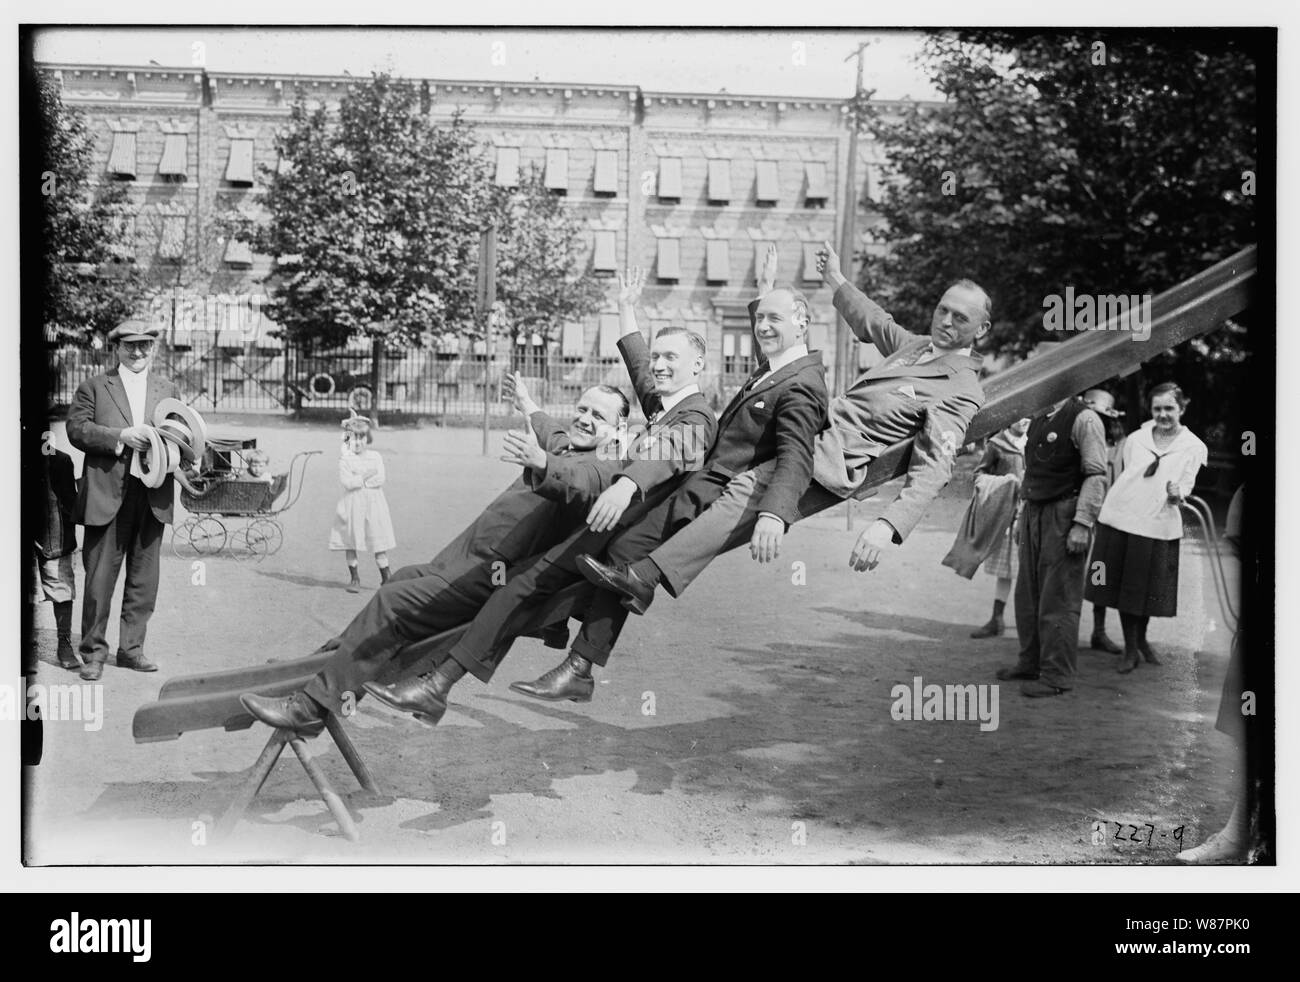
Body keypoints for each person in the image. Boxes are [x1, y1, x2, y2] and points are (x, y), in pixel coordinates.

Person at [432, 239, 987, 711]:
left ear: (979, 332)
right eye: (942, 309)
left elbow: (936, 461)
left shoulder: (959, 386)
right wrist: (837, 280)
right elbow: (873, 321)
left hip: (816, 464)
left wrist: (888, 526)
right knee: (618, 557)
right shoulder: (914, 346)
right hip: (771, 454)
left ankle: (582, 640)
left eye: (961, 318)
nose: (945, 321)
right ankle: (576, 654)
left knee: (631, 558)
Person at [362, 266, 724, 720]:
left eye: (671, 358)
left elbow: (671, 454)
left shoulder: (697, 418)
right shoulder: (663, 405)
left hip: (622, 539)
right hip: (600, 527)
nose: (659, 366)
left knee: (519, 589)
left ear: (698, 366)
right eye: (658, 358)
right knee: (517, 589)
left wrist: (629, 483)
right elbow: (636, 361)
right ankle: (437, 685)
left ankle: (439, 686)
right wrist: (626, 307)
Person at [239, 376, 638, 733]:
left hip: (486, 576)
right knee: (401, 580)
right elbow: (550, 428)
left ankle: (310, 708)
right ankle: (320, 668)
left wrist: (542, 462)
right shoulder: (568, 443)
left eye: (597, 416)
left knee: (394, 603)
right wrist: (527, 402)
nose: (584, 418)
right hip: (462, 561)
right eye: (581, 409)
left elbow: (579, 482)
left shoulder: (606, 468)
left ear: (617, 430)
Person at [66, 319, 180, 681]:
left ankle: (132, 651)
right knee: (100, 579)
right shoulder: (94, 387)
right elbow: (76, 429)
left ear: (153, 348)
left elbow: (182, 433)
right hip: (106, 494)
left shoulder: (167, 389)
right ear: (116, 347)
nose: (138, 352)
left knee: (144, 580)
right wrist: (121, 436)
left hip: (153, 493)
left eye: (145, 345)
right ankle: (94, 653)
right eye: (130, 345)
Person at [1084, 382, 1207, 673]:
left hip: (1159, 524)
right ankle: (1130, 649)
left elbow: (1187, 486)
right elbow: (1129, 476)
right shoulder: (1136, 439)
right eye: (1157, 408)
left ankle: (1141, 640)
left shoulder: (1194, 447)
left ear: (1182, 408)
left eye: (1169, 408)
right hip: (1122, 518)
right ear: (1150, 410)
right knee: (1127, 589)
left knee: (1147, 589)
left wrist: (1178, 494)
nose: (1163, 414)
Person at [995, 392, 1108, 697]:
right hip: (1034, 511)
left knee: (1058, 598)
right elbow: (1031, 472)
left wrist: (1083, 523)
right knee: (1028, 595)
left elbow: (1096, 475)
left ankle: (1057, 676)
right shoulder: (1038, 417)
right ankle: (1030, 662)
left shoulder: (1085, 418)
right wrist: (1021, 518)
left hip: (1065, 513)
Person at [943, 417, 1029, 638]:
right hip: (1006, 514)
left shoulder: (1034, 440)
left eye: (1029, 417)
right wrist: (1006, 482)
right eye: (1019, 417)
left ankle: (1030, 621)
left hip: (1029, 513)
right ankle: (996, 618)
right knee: (1007, 569)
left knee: (1029, 570)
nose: (1024, 422)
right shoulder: (997, 444)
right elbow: (979, 475)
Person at [33, 407, 80, 670]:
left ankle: (64, 644)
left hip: (54, 537)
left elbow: (71, 504)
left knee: (61, 587)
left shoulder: (60, 462)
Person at [1081, 388, 1127, 654]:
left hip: (1109, 521)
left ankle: (1099, 631)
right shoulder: (1081, 437)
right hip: (1081, 517)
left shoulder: (1122, 447)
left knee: (1102, 577)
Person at [329, 413, 396, 592]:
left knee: (378, 539)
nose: (357, 442)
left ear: (368, 438)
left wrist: (359, 481)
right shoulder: (345, 459)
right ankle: (355, 578)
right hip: (352, 504)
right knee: (351, 540)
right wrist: (365, 476)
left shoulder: (375, 456)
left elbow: (380, 479)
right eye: (353, 438)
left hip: (374, 503)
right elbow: (347, 483)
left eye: (361, 437)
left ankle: (386, 577)